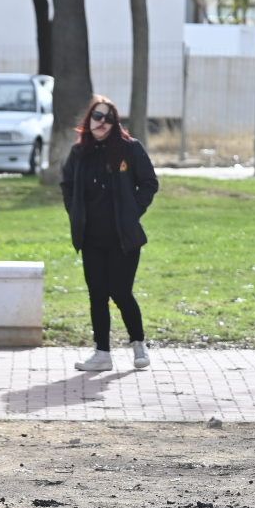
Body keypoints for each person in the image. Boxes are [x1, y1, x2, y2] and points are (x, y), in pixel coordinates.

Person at [60, 96, 159, 372]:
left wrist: (132, 211)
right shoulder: (79, 152)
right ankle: (102, 353)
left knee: (121, 291)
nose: (101, 122)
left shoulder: (129, 149)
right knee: (97, 295)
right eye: (97, 117)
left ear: (115, 123)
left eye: (108, 118)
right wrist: (76, 213)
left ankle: (138, 343)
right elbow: (67, 185)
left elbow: (149, 183)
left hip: (123, 237)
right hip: (91, 238)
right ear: (88, 120)